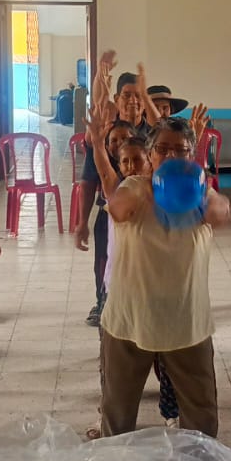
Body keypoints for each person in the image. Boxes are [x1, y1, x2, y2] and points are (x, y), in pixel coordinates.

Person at [93, 115, 229, 437]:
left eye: (180, 150)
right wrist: (149, 192)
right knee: (118, 410)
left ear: (191, 155)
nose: (171, 156)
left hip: (186, 318)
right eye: (163, 149)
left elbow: (220, 212)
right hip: (131, 316)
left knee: (200, 412)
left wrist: (199, 197)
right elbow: (117, 208)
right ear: (150, 154)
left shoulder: (201, 192)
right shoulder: (135, 187)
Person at [85, 105, 179, 437]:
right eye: (124, 161)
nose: (130, 166)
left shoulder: (162, 191)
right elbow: (103, 172)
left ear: (151, 161)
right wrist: (97, 144)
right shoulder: (118, 191)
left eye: (137, 160)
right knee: (113, 361)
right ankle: (109, 416)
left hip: (157, 286)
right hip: (119, 288)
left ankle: (172, 413)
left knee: (166, 356)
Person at [75, 51, 155, 326]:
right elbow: (89, 180)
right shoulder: (105, 135)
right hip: (109, 213)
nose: (133, 101)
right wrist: (81, 222)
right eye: (126, 95)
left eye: (138, 95)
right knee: (105, 258)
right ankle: (103, 302)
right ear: (117, 100)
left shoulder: (152, 136)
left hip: (146, 213)